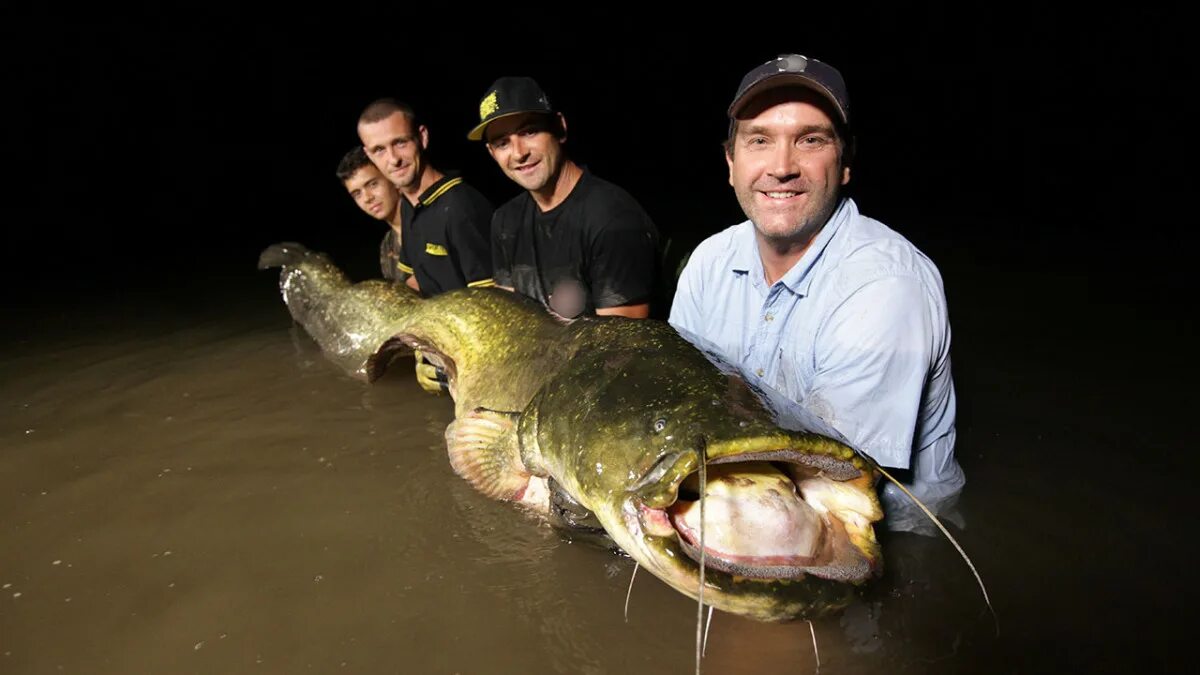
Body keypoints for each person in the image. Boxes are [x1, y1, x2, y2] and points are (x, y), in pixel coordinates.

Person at [669, 54, 965, 533]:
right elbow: (685, 408)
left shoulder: (887, 285)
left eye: (810, 140)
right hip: (759, 496)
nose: (781, 167)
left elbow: (834, 475)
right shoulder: (708, 262)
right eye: (759, 140)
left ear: (844, 163)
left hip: (886, 534)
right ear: (731, 161)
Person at [467, 77, 659, 319]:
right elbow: (508, 320)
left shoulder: (613, 219)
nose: (519, 153)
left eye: (529, 131)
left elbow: (621, 348)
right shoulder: (505, 221)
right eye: (502, 143)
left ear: (559, 127)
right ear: (492, 153)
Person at [357, 98, 495, 297]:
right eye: (379, 150)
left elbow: (492, 298)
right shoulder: (408, 205)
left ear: (422, 138)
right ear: (369, 155)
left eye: (400, 143)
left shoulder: (461, 207)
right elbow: (416, 280)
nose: (393, 159)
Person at [334, 146, 409, 285]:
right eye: (357, 194)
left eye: (373, 184)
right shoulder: (388, 246)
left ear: (393, 180)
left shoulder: (429, 224)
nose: (367, 198)